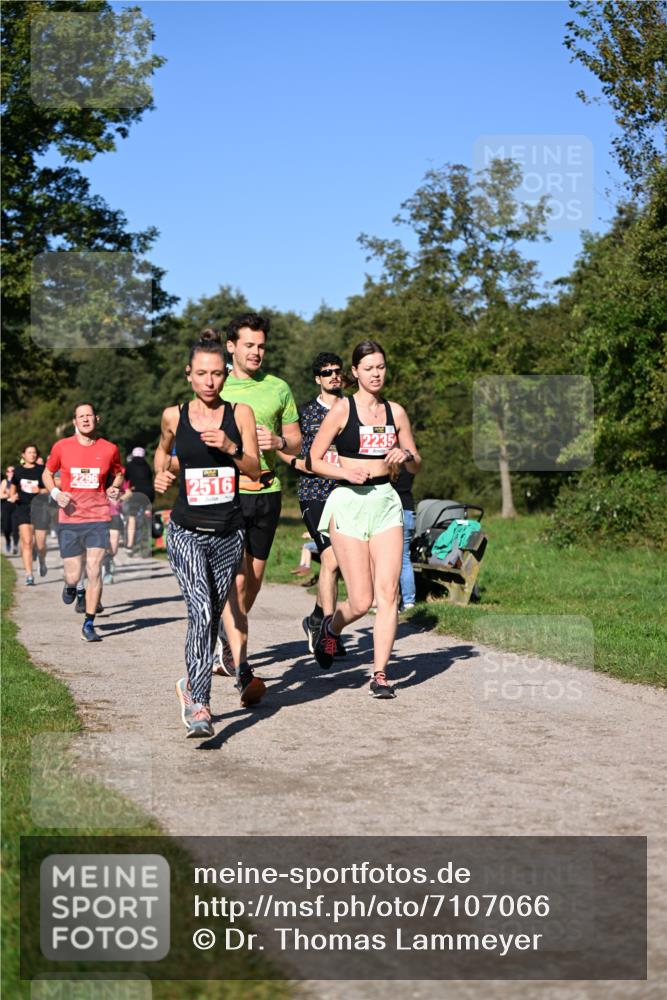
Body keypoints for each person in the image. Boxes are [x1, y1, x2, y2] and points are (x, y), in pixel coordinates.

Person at [153, 329, 262, 738]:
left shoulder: (241, 414)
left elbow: (254, 469)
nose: (210, 381)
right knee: (199, 610)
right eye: (202, 373)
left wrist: (232, 447)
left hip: (228, 532)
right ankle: (200, 704)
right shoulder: (174, 415)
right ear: (189, 375)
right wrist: (162, 473)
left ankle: (189, 686)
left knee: (212, 613)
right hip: (184, 530)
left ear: (225, 375)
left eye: (217, 373)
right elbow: (163, 450)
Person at [308, 339, 421, 698]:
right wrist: (343, 474)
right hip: (348, 504)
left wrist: (405, 456)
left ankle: (380, 674)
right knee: (360, 599)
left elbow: (417, 462)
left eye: (381, 367)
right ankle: (330, 628)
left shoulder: (396, 412)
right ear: (354, 372)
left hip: (386, 501)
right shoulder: (342, 409)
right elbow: (313, 458)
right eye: (369, 368)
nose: (376, 374)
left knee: (388, 594)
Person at [213, 313, 302, 677]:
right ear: (231, 346)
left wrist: (279, 441)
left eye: (261, 346)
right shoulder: (217, 387)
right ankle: (235, 650)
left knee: (254, 579)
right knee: (235, 578)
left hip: (269, 491)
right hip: (230, 492)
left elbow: (296, 442)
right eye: (249, 345)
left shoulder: (278, 387)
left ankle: (228, 630)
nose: (256, 352)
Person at [42, 402, 124, 642]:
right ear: (75, 422)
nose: (86, 420)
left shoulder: (109, 449)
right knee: (73, 573)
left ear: (97, 419)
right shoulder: (62, 447)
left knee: (94, 569)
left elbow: (119, 473)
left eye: (89, 415)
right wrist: (56, 494)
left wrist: (114, 488)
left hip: (98, 516)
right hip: (70, 517)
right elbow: (47, 473)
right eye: (81, 416)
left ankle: (89, 623)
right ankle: (70, 585)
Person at [287, 352, 347, 656]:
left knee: (338, 566)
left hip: (350, 495)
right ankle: (327, 630)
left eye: (337, 371)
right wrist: (297, 463)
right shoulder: (305, 412)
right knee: (331, 560)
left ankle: (315, 620)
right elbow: (283, 447)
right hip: (316, 493)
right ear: (317, 379)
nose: (333, 376)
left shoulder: (355, 409)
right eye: (327, 372)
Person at [9, 446, 48, 584]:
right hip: (23, 508)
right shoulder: (18, 471)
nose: (32, 455)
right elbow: (12, 488)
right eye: (29, 453)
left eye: (34, 453)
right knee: (26, 542)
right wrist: (12, 496)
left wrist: (39, 490)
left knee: (41, 544)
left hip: (40, 508)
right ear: (23, 455)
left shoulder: (41, 470)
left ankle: (42, 561)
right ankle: (29, 575)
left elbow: (49, 489)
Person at [123, 447, 155, 555]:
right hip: (148, 493)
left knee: (132, 518)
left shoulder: (129, 465)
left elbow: (126, 480)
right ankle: (147, 545)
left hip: (135, 492)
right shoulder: (147, 466)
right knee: (147, 516)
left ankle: (130, 545)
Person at [393, 465, 417, 611]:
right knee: (405, 559)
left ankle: (386, 600)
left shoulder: (385, 462)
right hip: (408, 510)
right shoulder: (409, 464)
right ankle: (409, 602)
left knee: (386, 560)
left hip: (390, 510)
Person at [1, 465, 19, 555]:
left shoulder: (17, 481)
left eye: (13, 471)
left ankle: (15, 545)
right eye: (9, 471)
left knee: (15, 527)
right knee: (6, 527)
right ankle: (8, 541)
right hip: (6, 506)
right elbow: (0, 495)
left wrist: (17, 496)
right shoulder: (5, 482)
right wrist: (9, 495)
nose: (11, 473)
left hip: (16, 506)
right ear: (7, 473)